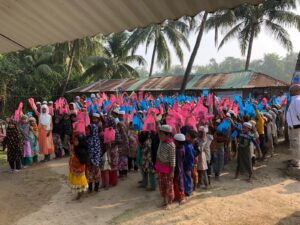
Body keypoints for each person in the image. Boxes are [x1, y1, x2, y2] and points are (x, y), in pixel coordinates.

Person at [155, 125, 176, 210]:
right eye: (159, 134)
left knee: (168, 186)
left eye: (162, 134)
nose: (160, 136)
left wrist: (172, 171)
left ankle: (169, 203)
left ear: (168, 135)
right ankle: (164, 200)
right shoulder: (161, 141)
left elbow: (173, 159)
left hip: (167, 169)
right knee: (161, 185)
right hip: (160, 167)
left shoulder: (171, 145)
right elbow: (157, 127)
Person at [68, 135, 88, 200]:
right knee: (77, 182)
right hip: (74, 167)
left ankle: (79, 194)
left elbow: (83, 161)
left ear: (80, 141)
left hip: (79, 168)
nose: (75, 142)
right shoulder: (75, 148)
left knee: (79, 181)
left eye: (76, 140)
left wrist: (74, 158)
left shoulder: (82, 150)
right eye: (74, 140)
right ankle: (79, 193)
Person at [286, 84, 300, 167]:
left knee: (296, 144)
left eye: (291, 90)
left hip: (296, 126)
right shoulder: (295, 99)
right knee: (294, 144)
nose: (290, 92)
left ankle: (296, 161)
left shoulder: (298, 100)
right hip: (293, 125)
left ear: (296, 90)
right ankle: (295, 159)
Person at [86, 124, 102, 192]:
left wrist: (93, 160)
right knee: (90, 174)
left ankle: (95, 188)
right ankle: (91, 188)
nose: (87, 131)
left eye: (88, 130)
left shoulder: (94, 139)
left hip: (94, 160)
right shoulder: (89, 138)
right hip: (92, 160)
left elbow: (95, 151)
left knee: (95, 174)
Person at [173, 133, 186, 204]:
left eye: (175, 141)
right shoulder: (182, 148)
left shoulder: (178, 151)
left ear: (177, 142)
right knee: (178, 182)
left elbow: (177, 162)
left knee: (179, 183)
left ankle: (181, 197)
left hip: (178, 169)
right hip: (180, 167)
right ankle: (177, 196)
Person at [184, 129, 195, 197]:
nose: (185, 137)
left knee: (188, 179)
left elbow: (191, 159)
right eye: (186, 135)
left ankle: (188, 193)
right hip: (185, 165)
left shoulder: (189, 146)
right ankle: (187, 191)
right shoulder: (187, 144)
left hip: (187, 166)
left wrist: (189, 168)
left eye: (187, 136)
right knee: (186, 178)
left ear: (191, 138)